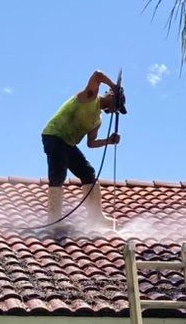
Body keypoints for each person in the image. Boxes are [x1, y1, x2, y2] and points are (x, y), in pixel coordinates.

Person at [41, 70, 124, 228]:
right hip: (54, 136)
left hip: (69, 144)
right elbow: (97, 74)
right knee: (58, 173)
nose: (116, 110)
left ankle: (96, 217)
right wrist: (114, 86)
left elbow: (91, 143)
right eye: (118, 105)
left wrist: (109, 141)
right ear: (112, 96)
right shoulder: (90, 97)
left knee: (88, 172)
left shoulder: (97, 120)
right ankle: (53, 219)